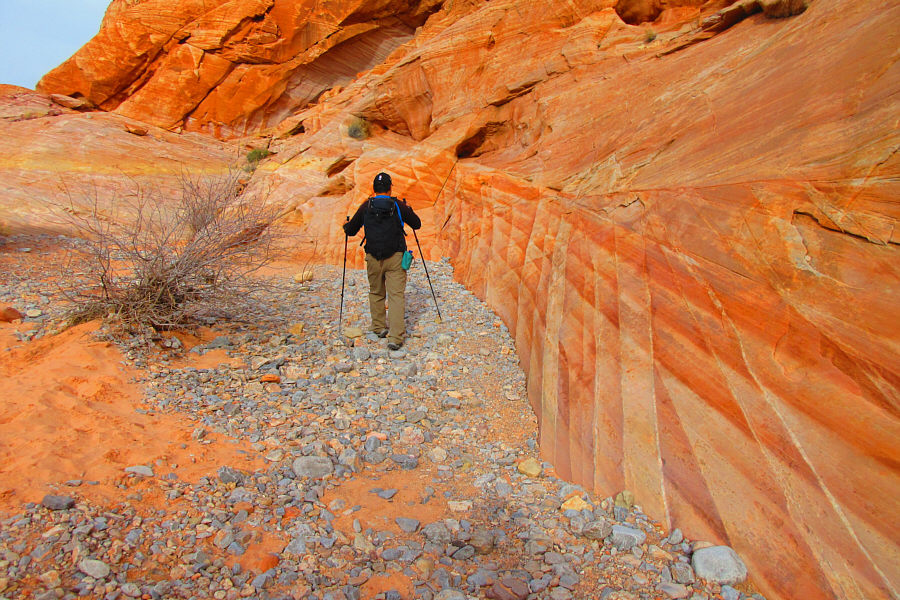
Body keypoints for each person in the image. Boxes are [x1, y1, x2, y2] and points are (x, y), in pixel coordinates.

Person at [343, 172, 421, 350]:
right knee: (395, 296)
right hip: (395, 257)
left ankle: (378, 327)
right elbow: (417, 224)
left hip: (373, 257)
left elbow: (351, 231)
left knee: (376, 292)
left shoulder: (367, 205)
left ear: (373, 189)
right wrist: (409, 209)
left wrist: (345, 225)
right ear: (390, 187)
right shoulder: (398, 205)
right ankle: (395, 338)